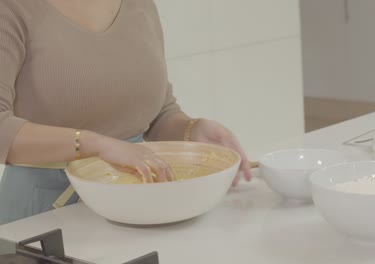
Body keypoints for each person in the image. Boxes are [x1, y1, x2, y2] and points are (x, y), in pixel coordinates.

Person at [0, 0, 252, 225]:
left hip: (136, 209)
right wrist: (94, 144)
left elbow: (157, 114)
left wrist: (191, 129)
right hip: (42, 216)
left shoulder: (140, 5)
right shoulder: (11, 9)